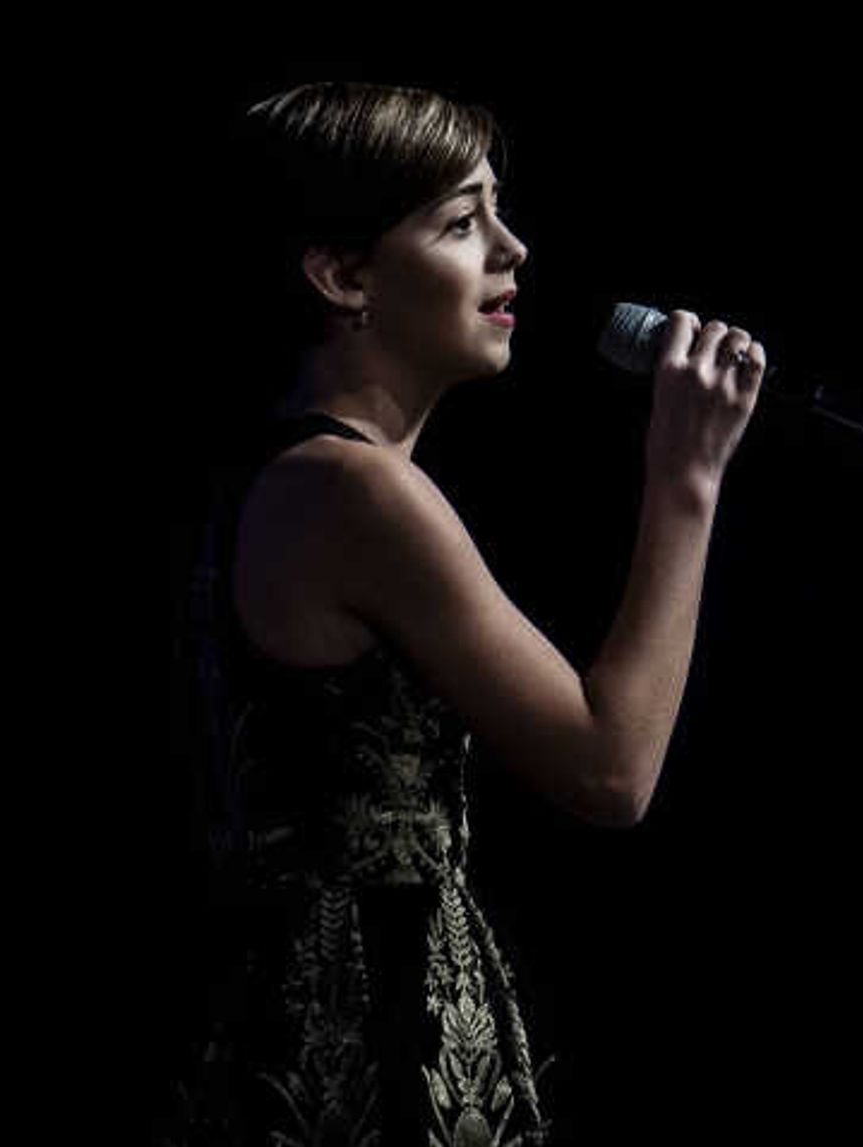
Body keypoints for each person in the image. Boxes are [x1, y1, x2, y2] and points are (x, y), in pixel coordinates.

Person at [157, 80, 763, 1147]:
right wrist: (686, 478)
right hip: (363, 1047)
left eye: (497, 209)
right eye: (460, 220)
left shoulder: (293, 474)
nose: (512, 248)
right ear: (343, 274)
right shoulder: (355, 491)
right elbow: (611, 767)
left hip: (296, 1026)